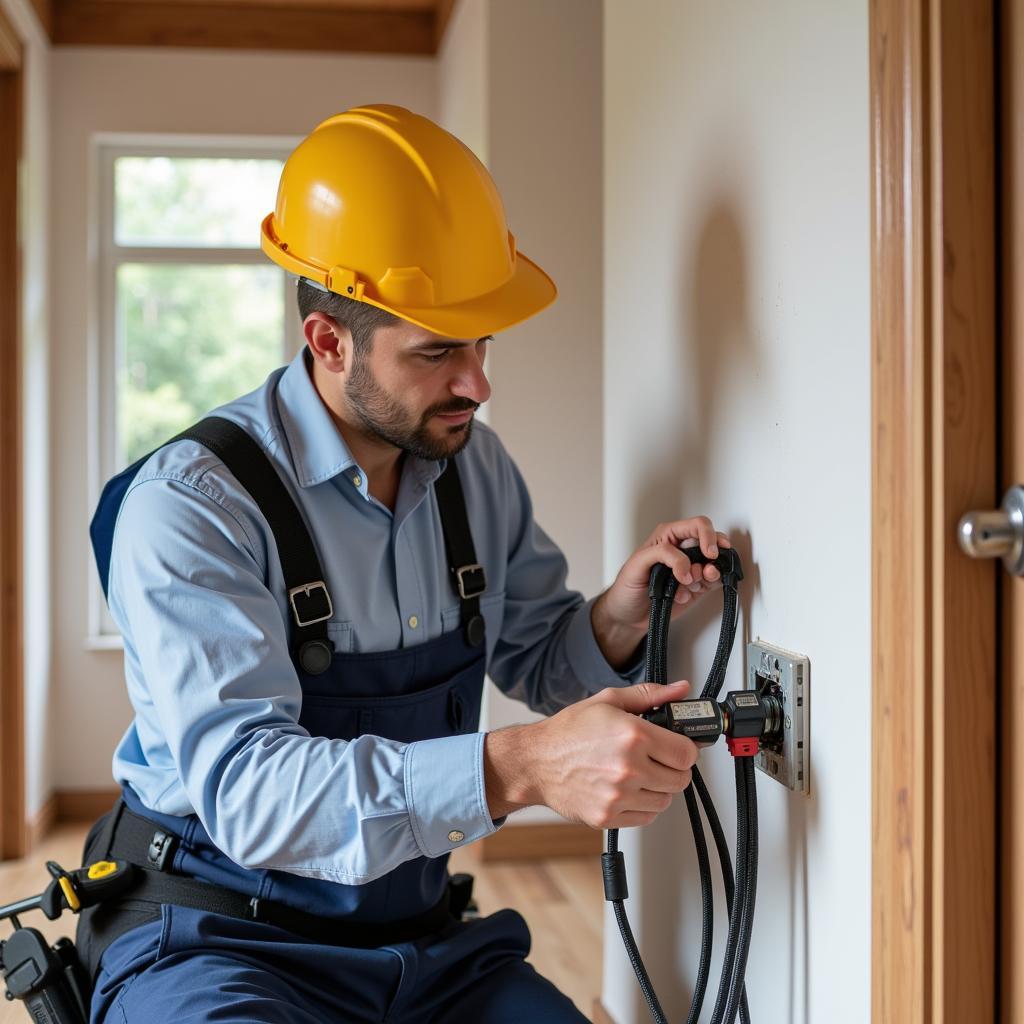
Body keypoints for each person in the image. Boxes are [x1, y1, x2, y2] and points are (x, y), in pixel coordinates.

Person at [78, 104, 731, 1023]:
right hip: (219, 938)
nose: (477, 383)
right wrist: (519, 769)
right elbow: (251, 795)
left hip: (418, 943)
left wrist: (619, 615)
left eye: (483, 343)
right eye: (438, 352)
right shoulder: (191, 508)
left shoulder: (473, 468)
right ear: (329, 342)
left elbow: (540, 660)